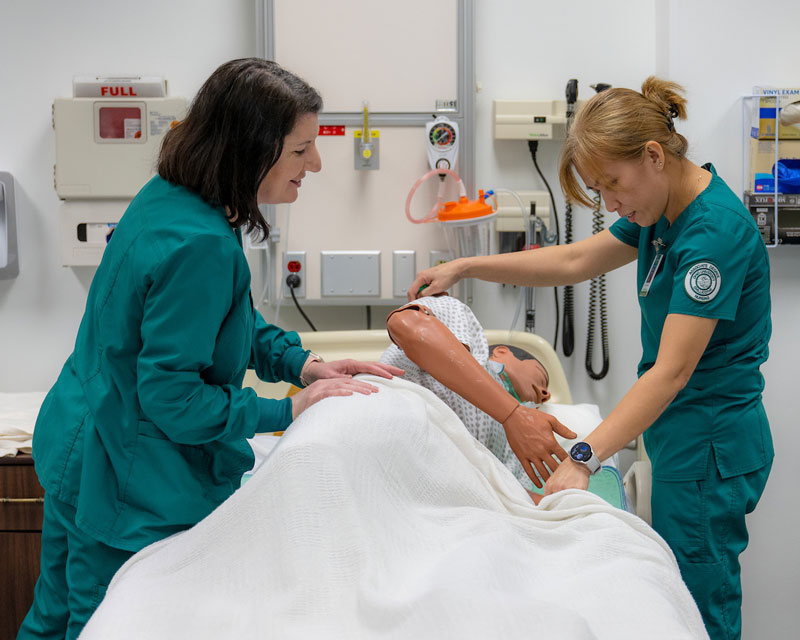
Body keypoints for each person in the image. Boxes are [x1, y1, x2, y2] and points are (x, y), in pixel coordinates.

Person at [19, 58, 402, 639]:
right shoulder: (201, 245)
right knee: (97, 624)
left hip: (81, 436)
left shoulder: (171, 198)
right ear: (252, 149)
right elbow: (172, 397)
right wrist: (285, 411)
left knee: (51, 619)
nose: (316, 164)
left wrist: (301, 364)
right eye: (301, 150)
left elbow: (222, 320)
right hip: (124, 477)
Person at [407, 77, 772, 640]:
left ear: (654, 156)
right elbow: (575, 260)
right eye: (599, 191)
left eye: (613, 185)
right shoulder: (664, 209)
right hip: (681, 435)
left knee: (699, 611)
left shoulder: (712, 233)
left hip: (708, 444)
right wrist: (466, 266)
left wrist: (583, 458)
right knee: (679, 600)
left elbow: (671, 372)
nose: (611, 204)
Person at [381, 293, 576, 500]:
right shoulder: (464, 330)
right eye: (540, 377)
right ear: (501, 352)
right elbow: (406, 323)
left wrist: (560, 505)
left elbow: (503, 494)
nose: (545, 394)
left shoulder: (513, 444)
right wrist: (513, 414)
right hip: (384, 431)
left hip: (413, 486)